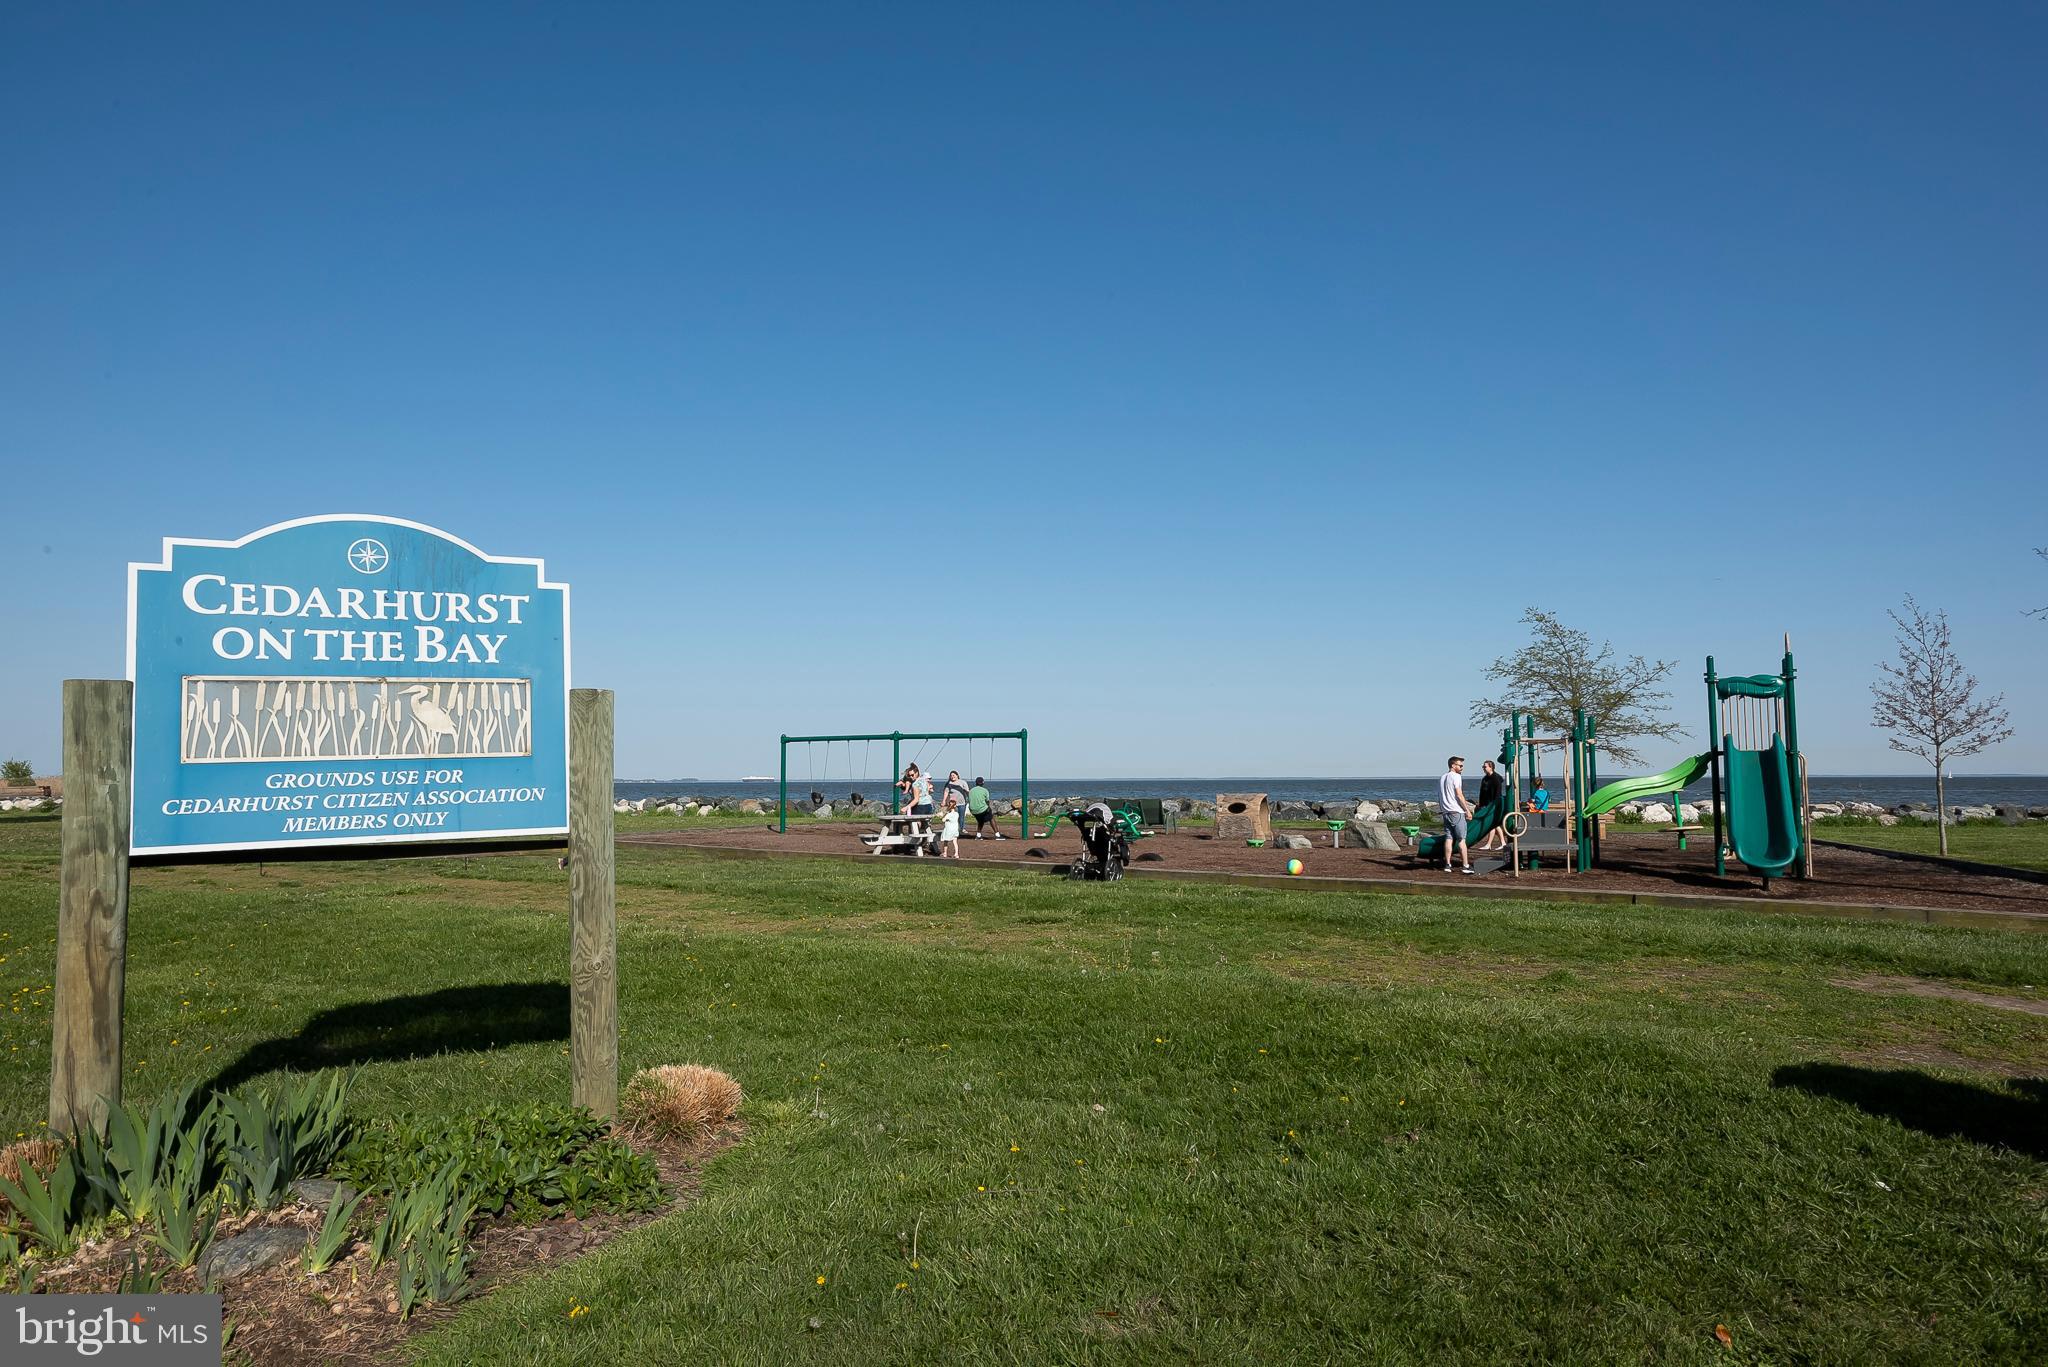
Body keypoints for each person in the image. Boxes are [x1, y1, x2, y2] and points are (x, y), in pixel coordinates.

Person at [1438, 755, 1475, 874]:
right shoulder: (1456, 776)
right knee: (1461, 839)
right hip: (1456, 812)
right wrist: (1467, 810)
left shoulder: (1442, 777)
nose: (1462, 768)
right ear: (1453, 765)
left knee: (1449, 838)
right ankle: (1465, 865)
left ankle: (1448, 864)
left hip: (1446, 812)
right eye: (1460, 765)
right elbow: (1459, 794)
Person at [1475, 759, 1508, 850]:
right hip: (1486, 804)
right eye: (1483, 767)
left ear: (1491, 767)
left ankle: (1490, 844)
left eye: (1485, 767)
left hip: (1493, 804)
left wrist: (1494, 804)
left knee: (1493, 824)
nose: (1483, 768)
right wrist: (1481, 804)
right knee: (1494, 825)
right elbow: (1482, 792)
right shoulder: (1485, 779)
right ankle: (1501, 842)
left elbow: (1497, 792)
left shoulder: (1496, 778)